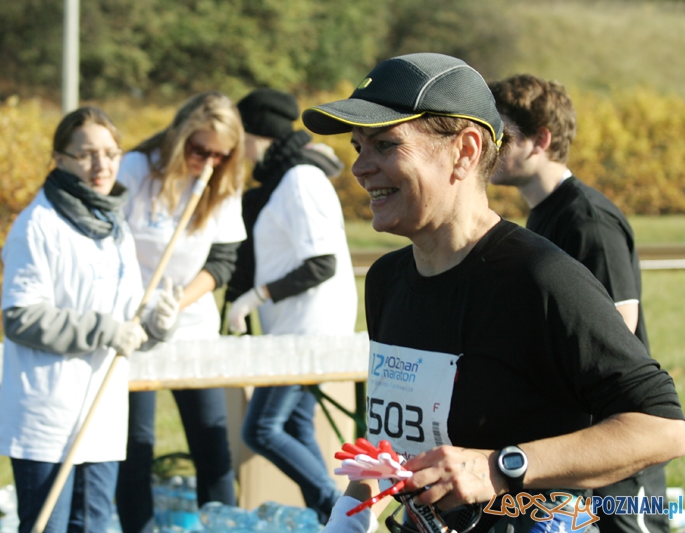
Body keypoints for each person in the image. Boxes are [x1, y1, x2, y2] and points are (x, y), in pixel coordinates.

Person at [300, 52, 685, 533]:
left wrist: (499, 468)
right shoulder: (385, 281)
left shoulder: (541, 278)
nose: (360, 168)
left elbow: (663, 430)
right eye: (358, 147)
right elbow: (394, 442)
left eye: (385, 144)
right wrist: (348, 518)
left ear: (465, 151)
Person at [488, 73, 667, 533]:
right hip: (575, 437)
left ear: (540, 140)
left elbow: (617, 331)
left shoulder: (588, 221)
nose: (488, 144)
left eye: (501, 133)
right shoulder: (541, 215)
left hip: (618, 441)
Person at [0, 106, 179, 533]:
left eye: (111, 153)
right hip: (47, 414)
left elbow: (128, 321)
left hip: (102, 413)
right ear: (59, 159)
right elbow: (21, 317)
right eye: (87, 155)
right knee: (48, 527)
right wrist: (105, 330)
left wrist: (155, 325)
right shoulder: (37, 225)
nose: (102, 165)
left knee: (94, 526)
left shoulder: (115, 227)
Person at [115, 91, 246, 533]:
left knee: (212, 444)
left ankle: (222, 526)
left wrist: (177, 303)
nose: (208, 161)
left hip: (191, 326)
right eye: (198, 150)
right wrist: (143, 305)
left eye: (219, 154)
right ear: (179, 138)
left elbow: (223, 261)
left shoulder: (223, 183)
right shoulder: (134, 170)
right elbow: (106, 245)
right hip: (133, 323)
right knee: (136, 444)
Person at [225, 88, 358, 523]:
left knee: (261, 429)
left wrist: (256, 296)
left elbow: (321, 263)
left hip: (307, 331)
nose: (236, 147)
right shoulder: (284, 180)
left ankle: (338, 511)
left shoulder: (301, 179)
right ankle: (330, 521)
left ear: (256, 133)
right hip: (295, 329)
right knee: (297, 426)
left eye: (239, 134)